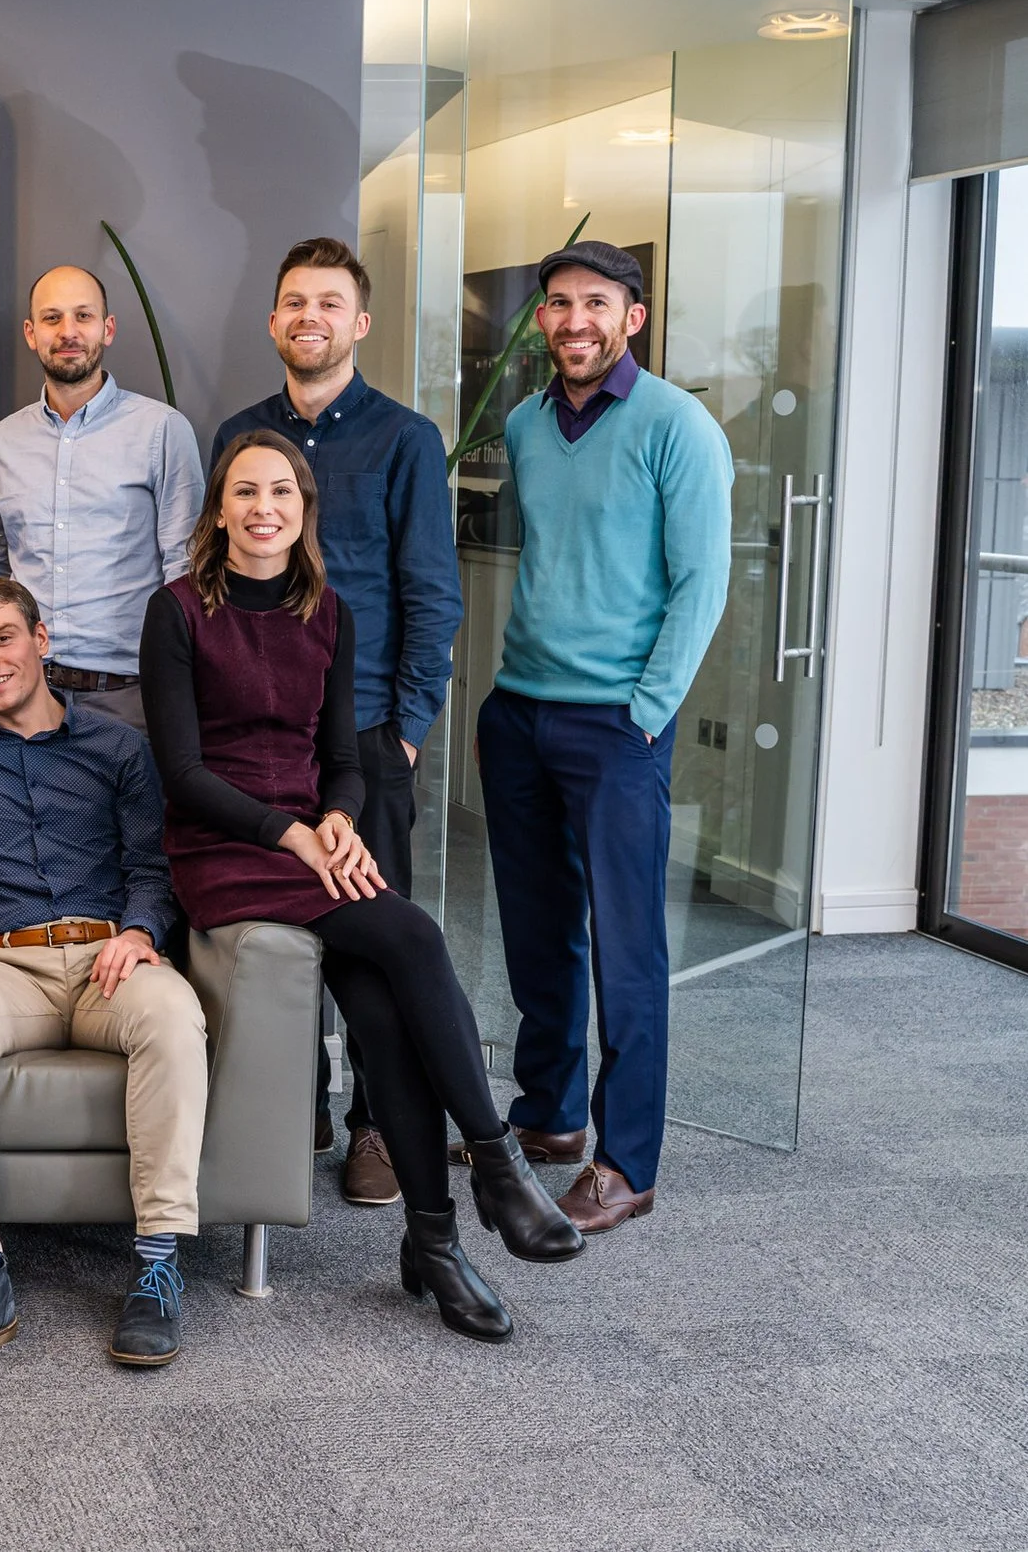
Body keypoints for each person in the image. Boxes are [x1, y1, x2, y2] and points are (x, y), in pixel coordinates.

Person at [142, 432, 580, 1342]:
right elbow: (182, 772)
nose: (265, 507)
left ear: (304, 513)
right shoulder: (178, 611)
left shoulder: (328, 611)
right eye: (246, 491)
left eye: (283, 494)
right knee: (414, 936)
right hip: (225, 849)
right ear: (219, 510)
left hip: (308, 839)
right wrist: (295, 834)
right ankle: (496, 1168)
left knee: (381, 1014)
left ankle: (434, 1240)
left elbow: (340, 757)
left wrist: (338, 819)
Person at [0, 576, 205, 1384]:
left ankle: (159, 1266)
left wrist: (137, 929)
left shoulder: (117, 746)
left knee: (172, 1012)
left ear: (41, 639)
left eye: (1, 638)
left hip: (107, 962)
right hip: (3, 965)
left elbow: (151, 864)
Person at [478, 240, 734, 1235]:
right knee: (538, 932)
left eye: (593, 302)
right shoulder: (526, 424)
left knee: (627, 947)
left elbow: (700, 584)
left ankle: (627, 1159)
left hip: (615, 723)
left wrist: (645, 711)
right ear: (539, 321)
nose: (572, 319)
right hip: (519, 709)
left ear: (632, 315)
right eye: (555, 304)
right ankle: (548, 1117)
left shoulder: (678, 424)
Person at [214, 236, 465, 1210]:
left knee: (369, 930)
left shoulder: (405, 438)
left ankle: (373, 1125)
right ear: (273, 321)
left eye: (328, 302)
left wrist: (401, 731)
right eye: (292, 302)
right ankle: (300, 1100)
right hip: (261, 733)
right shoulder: (239, 434)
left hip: (362, 733)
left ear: (357, 322)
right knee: (276, 924)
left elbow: (430, 595)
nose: (308, 317)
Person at [0, 265, 200, 733]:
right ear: (31, 333)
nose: (68, 332)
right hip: (25, 697)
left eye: (83, 316)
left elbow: (185, 569)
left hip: (130, 700)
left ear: (108, 328)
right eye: (52, 318)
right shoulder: (2, 443)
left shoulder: (161, 431)